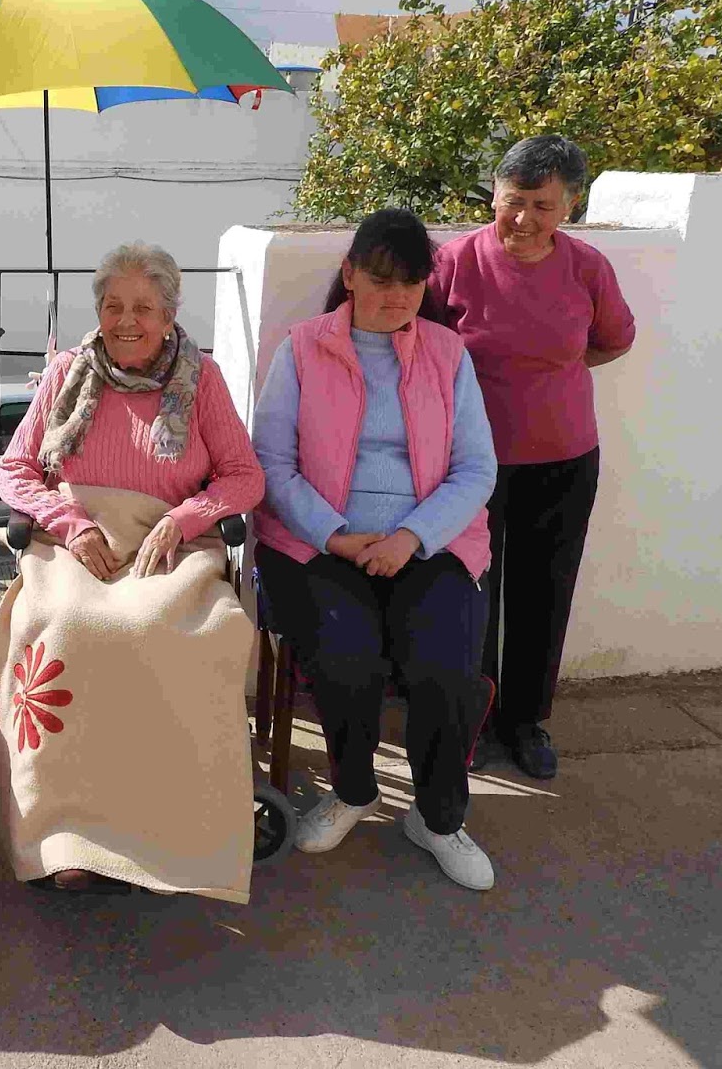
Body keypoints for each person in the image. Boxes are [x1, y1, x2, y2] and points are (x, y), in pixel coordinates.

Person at [0, 242, 266, 901]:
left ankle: (166, 835)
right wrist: (71, 522)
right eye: (113, 306)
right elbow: (16, 468)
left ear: (169, 316)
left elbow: (243, 475)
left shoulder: (202, 379)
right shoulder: (67, 372)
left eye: (143, 307)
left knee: (163, 635)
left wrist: (186, 519)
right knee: (64, 627)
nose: (126, 320)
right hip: (75, 541)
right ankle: (64, 839)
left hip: (167, 546)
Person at [252, 209, 499, 891]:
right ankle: (353, 791)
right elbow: (271, 462)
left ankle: (437, 819)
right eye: (383, 279)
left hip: (430, 544)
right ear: (350, 274)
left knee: (445, 665)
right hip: (319, 544)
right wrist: (333, 533)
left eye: (412, 283)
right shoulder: (302, 350)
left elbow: (476, 468)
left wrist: (411, 538)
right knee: (347, 656)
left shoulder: (448, 355)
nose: (397, 297)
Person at [431, 135, 636, 779]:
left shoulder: (587, 268)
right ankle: (472, 715)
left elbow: (612, 340)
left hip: (563, 459)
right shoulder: (454, 262)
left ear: (569, 206)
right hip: (466, 465)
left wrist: (551, 375)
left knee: (543, 592)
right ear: (494, 194)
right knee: (468, 592)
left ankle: (525, 721)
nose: (523, 219)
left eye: (543, 206)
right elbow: (421, 347)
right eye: (513, 201)